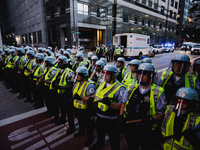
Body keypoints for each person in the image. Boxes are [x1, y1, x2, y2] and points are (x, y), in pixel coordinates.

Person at [120, 63, 167, 150]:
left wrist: (152, 119)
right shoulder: (131, 88)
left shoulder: (158, 93)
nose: (141, 76)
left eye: (144, 74)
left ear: (151, 76)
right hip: (131, 127)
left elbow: (161, 114)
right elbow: (124, 102)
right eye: (139, 73)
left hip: (147, 129)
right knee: (132, 146)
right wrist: (121, 116)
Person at [89, 65, 126, 150]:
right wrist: (91, 97)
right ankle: (99, 145)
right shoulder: (103, 83)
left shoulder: (120, 89)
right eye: (104, 73)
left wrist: (109, 104)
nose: (105, 76)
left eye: (107, 74)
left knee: (114, 138)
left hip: (111, 120)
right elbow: (98, 93)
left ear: (113, 75)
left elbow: (121, 106)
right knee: (100, 133)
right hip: (99, 116)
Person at [50, 56, 75, 134]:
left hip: (66, 94)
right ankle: (63, 119)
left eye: (60, 63)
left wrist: (61, 86)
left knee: (69, 112)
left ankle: (71, 127)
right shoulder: (59, 70)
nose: (58, 64)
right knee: (62, 108)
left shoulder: (69, 72)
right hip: (59, 93)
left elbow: (71, 85)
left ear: (64, 63)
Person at [72, 66, 96, 147]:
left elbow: (91, 99)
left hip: (86, 109)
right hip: (78, 108)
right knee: (81, 122)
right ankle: (81, 131)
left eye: (78, 75)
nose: (77, 76)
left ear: (83, 75)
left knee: (89, 125)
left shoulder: (90, 85)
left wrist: (80, 98)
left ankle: (90, 138)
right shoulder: (78, 83)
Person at [37, 56, 57, 121]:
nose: (44, 63)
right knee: (47, 100)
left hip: (50, 88)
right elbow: (43, 76)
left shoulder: (53, 70)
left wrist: (44, 81)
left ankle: (52, 112)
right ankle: (49, 110)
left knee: (51, 101)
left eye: (45, 62)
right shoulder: (46, 69)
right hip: (45, 87)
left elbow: (53, 81)